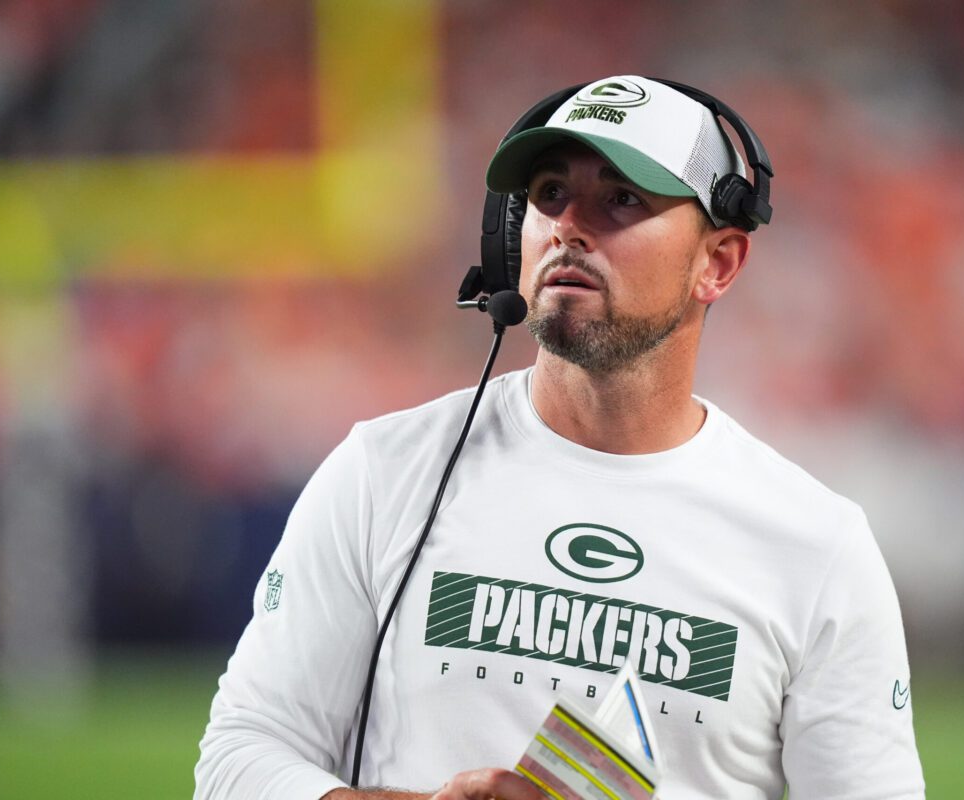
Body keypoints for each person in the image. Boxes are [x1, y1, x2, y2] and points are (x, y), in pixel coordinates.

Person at [195, 75, 925, 800]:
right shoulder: (382, 473)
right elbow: (238, 758)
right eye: (549, 194)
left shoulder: (815, 546)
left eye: (622, 198)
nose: (568, 225)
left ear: (718, 262)